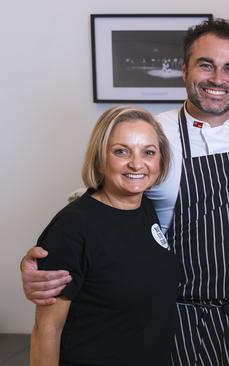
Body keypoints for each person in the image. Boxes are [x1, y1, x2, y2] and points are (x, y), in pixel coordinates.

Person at [22, 19, 229, 365]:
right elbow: (103, 197)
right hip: (187, 318)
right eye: (206, 65)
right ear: (184, 68)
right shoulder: (156, 132)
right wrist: (47, 262)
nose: (218, 79)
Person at [30, 107, 177, 365]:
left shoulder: (146, 208)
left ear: (160, 161)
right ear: (100, 159)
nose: (136, 163)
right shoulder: (72, 227)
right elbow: (46, 330)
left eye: (148, 152)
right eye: (121, 151)